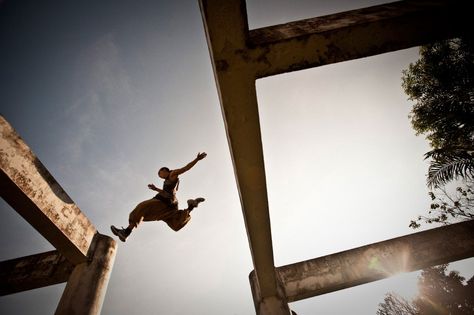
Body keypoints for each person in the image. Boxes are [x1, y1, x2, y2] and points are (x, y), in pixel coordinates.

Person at [111, 152, 207, 242]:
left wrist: (197, 159)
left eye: (160, 173)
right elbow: (166, 192)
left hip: (163, 202)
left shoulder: (172, 174)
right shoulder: (167, 180)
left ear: (165, 170)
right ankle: (191, 205)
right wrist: (156, 188)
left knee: (142, 207)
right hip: (170, 207)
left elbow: (185, 168)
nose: (160, 176)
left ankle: (126, 232)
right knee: (175, 225)